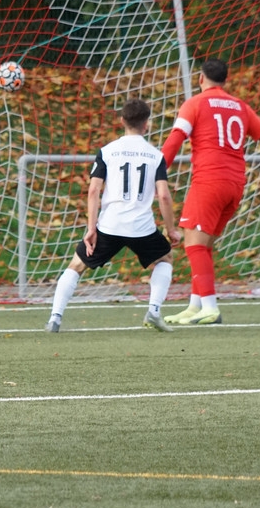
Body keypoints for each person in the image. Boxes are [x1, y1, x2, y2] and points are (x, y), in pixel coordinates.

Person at [161, 58, 260, 325]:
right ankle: (195, 306)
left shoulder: (195, 104)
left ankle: (210, 307)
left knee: (193, 243)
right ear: (225, 80)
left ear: (200, 79)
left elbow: (175, 140)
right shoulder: (240, 106)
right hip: (235, 184)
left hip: (209, 181)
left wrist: (159, 172)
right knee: (204, 245)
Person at [44, 98, 182, 333]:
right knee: (165, 258)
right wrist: (171, 230)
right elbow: (164, 196)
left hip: (110, 225)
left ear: (121, 121)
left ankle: (55, 318)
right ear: (146, 124)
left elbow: (94, 191)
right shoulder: (155, 156)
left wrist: (91, 228)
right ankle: (154, 311)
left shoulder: (107, 151)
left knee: (76, 265)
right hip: (142, 227)